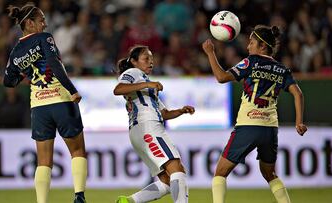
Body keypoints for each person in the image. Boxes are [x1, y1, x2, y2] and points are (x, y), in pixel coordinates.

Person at [202, 25, 308, 203]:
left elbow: (221, 77)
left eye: (251, 42)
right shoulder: (282, 69)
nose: (248, 47)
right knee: (269, 173)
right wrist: (299, 122)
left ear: (262, 46)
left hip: (248, 125)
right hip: (270, 129)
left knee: (220, 172)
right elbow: (298, 94)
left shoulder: (250, 62)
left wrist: (210, 53)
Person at [4, 3, 87, 203]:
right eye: (41, 20)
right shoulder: (44, 38)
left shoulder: (15, 52)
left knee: (43, 161)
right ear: (30, 23)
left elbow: (8, 81)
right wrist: (72, 90)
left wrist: (25, 71)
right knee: (77, 151)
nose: (45, 23)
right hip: (60, 100)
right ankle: (79, 197)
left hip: (39, 107)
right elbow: (54, 65)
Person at [114, 45, 195, 203]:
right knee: (177, 170)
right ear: (134, 62)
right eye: (146, 58)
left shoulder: (146, 83)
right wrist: (148, 84)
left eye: (152, 59)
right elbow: (118, 89)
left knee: (166, 181)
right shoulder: (133, 73)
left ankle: (129, 201)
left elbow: (164, 114)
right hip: (148, 127)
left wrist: (181, 111)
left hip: (142, 130)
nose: (151, 62)